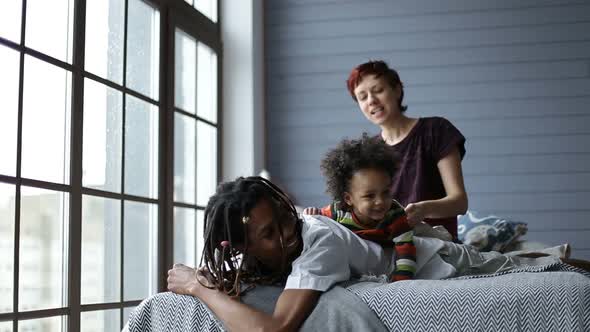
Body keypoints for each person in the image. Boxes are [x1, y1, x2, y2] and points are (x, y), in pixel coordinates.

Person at [167, 176, 588, 332]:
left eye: (283, 215)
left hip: (431, 258)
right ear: (238, 246)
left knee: (523, 264)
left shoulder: (318, 242)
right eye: (267, 232)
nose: (286, 232)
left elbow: (274, 329)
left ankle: (572, 261)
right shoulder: (246, 254)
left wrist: (198, 289)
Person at [346, 60, 468, 239]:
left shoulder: (436, 130)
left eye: (378, 90)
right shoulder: (368, 152)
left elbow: (459, 202)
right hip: (388, 247)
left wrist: (423, 210)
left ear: (397, 90)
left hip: (438, 246)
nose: (371, 101)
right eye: (362, 97)